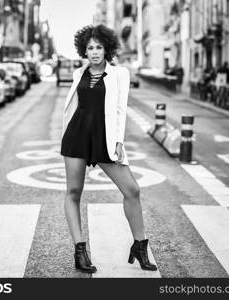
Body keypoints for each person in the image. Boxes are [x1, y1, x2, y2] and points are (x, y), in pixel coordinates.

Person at [60, 24, 157, 274]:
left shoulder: (119, 74)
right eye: (90, 47)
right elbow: (73, 107)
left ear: (107, 49)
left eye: (99, 47)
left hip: (104, 139)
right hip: (77, 137)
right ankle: (80, 251)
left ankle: (139, 245)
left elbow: (120, 111)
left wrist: (118, 141)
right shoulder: (78, 74)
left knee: (132, 190)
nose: (94, 52)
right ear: (84, 49)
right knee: (73, 191)